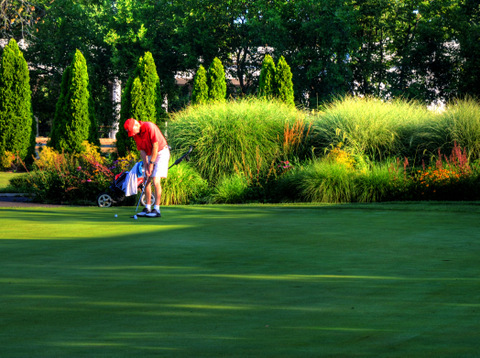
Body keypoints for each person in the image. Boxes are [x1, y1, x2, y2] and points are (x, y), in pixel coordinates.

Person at [124, 118, 170, 218]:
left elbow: (156, 146)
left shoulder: (150, 127)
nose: (133, 134)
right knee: (146, 179)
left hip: (161, 152)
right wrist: (146, 165)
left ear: (136, 125)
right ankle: (147, 207)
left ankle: (157, 209)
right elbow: (142, 151)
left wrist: (151, 164)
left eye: (132, 131)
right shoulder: (136, 135)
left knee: (155, 180)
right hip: (150, 154)